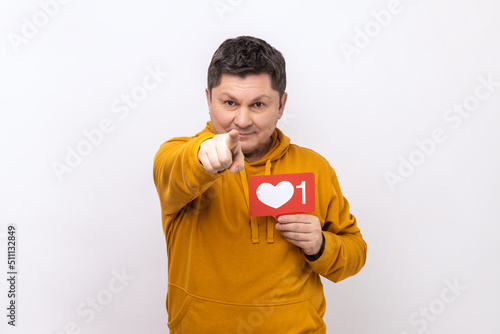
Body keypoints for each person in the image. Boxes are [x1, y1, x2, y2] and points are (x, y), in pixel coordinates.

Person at [153, 35, 367, 333]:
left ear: (281, 105)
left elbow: (354, 254)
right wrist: (203, 158)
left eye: (257, 104)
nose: (242, 120)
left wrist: (320, 245)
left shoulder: (314, 167)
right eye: (229, 103)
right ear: (208, 100)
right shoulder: (178, 157)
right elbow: (175, 170)